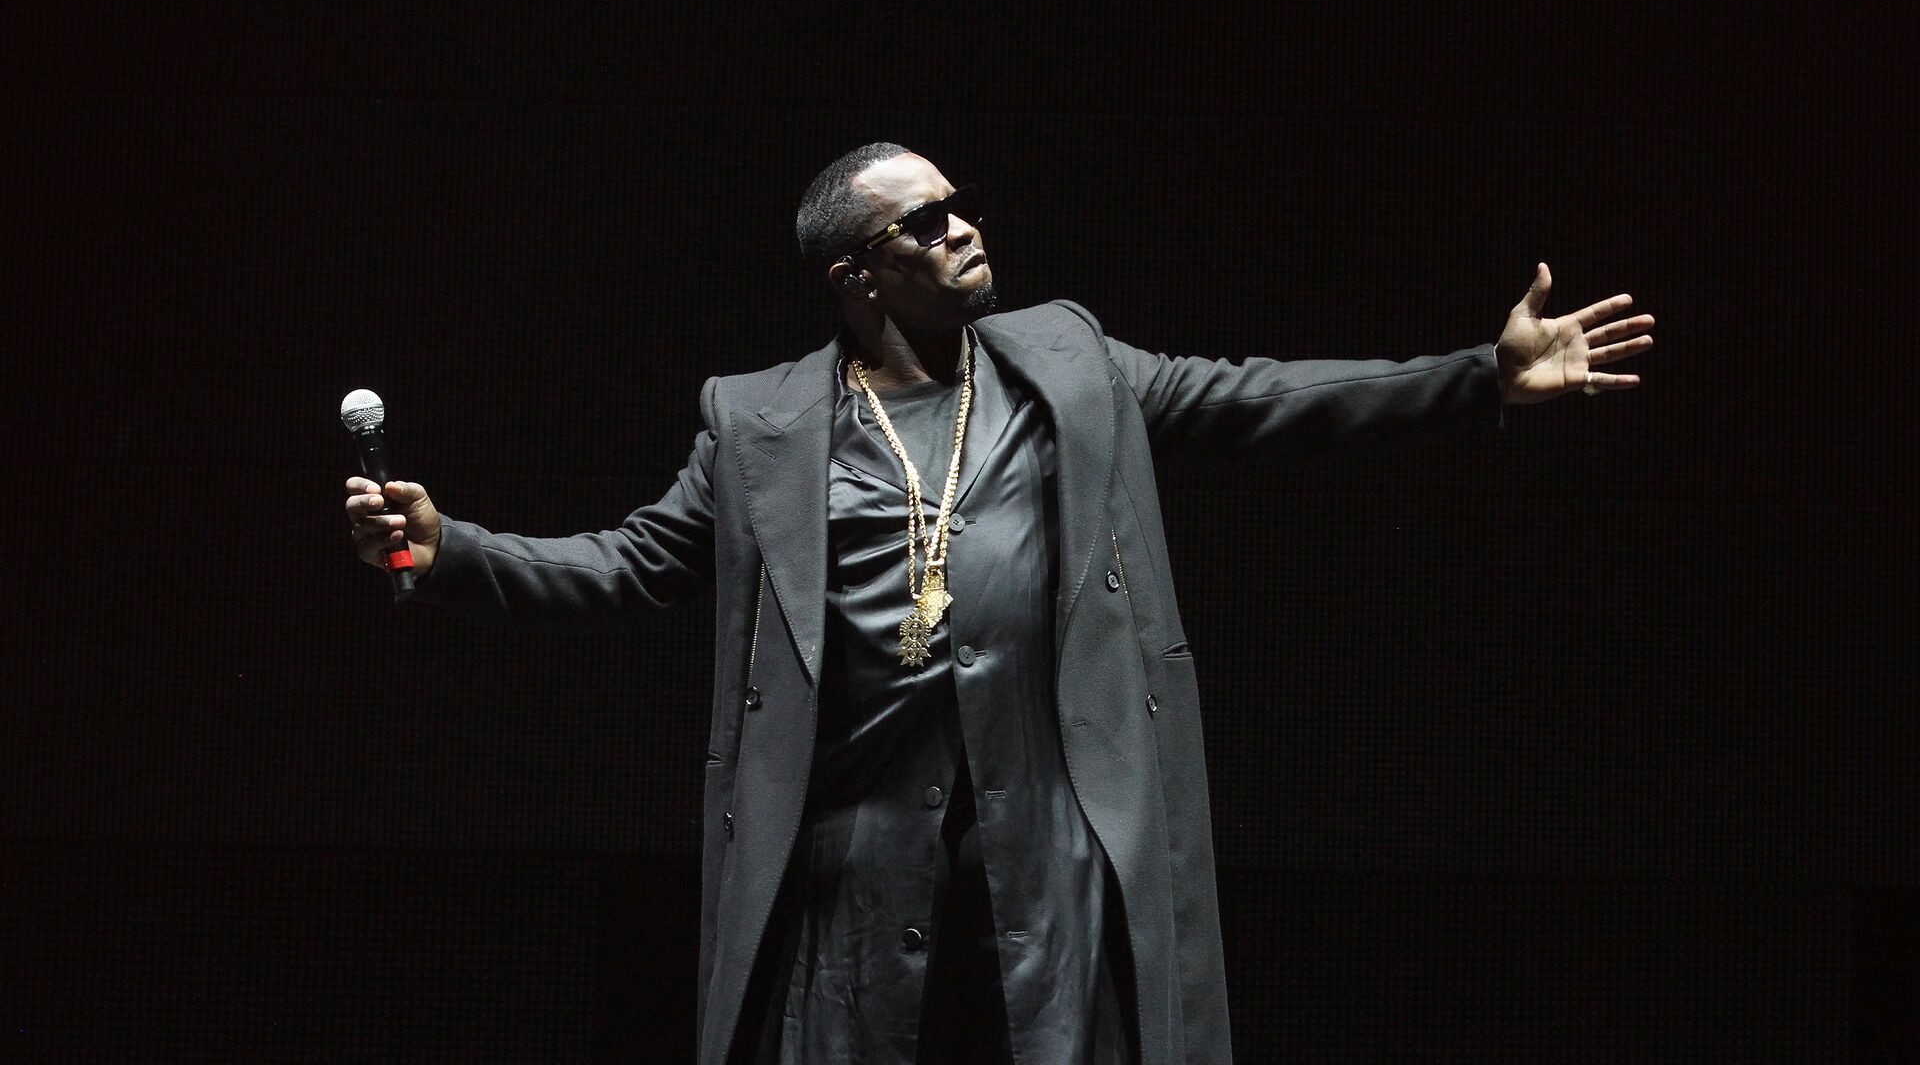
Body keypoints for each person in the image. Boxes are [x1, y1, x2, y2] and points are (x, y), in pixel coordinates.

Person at [343, 143, 1654, 1064]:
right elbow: (631, 565)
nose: (962, 228)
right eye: (923, 222)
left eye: (958, 206)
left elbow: (1256, 397)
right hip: (854, 867)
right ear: (858, 275)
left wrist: (1477, 376)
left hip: (1051, 854)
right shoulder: (760, 424)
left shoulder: (1065, 362)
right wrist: (451, 551)